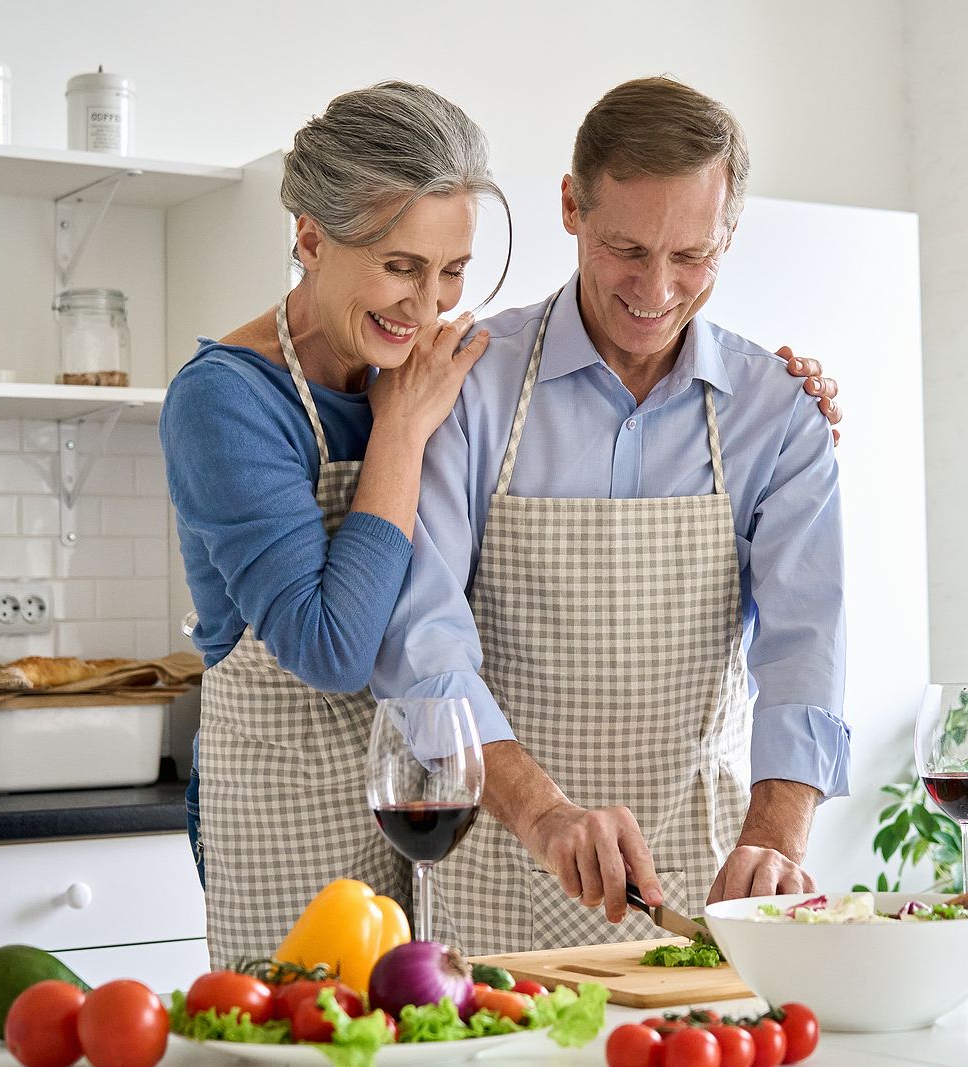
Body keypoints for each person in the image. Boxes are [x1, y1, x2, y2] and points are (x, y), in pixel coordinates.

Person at [163, 82, 842, 965]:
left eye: (450, 272)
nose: (428, 305)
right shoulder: (322, 393)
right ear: (308, 238)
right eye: (401, 265)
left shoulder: (410, 362)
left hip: (466, 806)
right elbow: (359, 643)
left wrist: (780, 832)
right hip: (317, 800)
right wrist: (402, 431)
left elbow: (806, 642)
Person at [370, 76, 848, 956]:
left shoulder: (775, 414)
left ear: (729, 236)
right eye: (627, 247)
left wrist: (777, 837)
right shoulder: (468, 385)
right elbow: (419, 637)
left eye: (692, 256)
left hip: (704, 881)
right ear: (570, 208)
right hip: (497, 873)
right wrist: (547, 815)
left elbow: (804, 646)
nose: (657, 290)